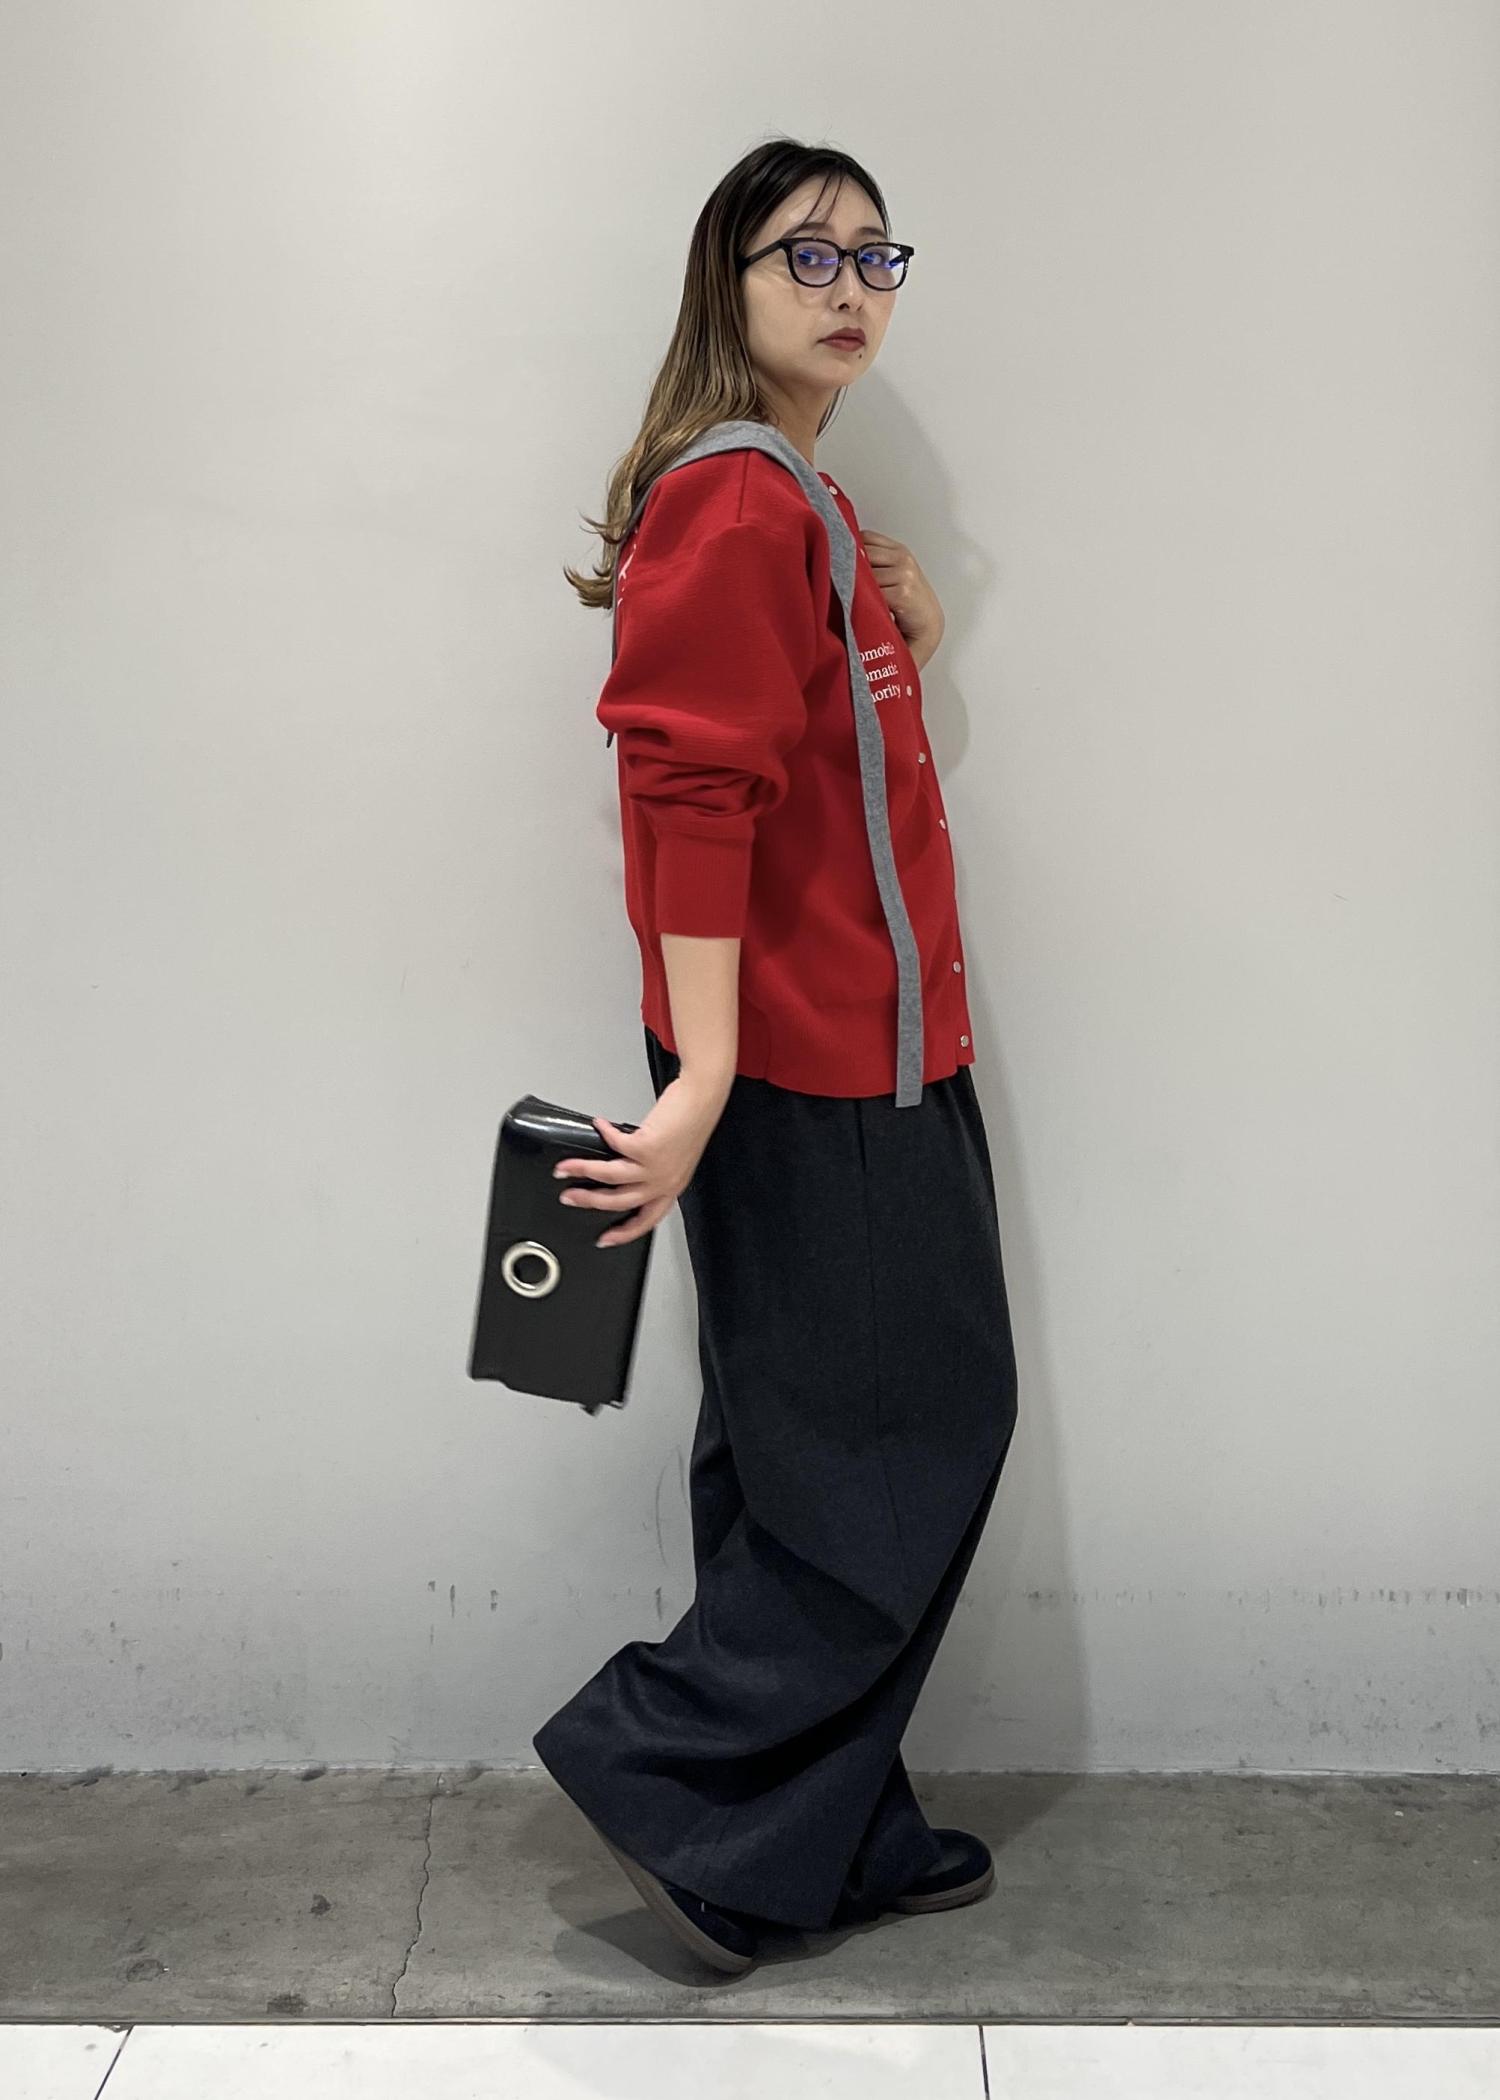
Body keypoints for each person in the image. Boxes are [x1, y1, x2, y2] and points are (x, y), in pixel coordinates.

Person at [533, 136, 1019, 1977]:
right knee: (913, 1441)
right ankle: (668, 1773)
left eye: (877, 256)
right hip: (814, 1073)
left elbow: (815, 768)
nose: (850, 287)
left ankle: (807, 1835)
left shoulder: (798, 501)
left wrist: (912, 623)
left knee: (804, 1457)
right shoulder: (739, 499)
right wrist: (709, 1082)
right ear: (725, 284)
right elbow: (691, 797)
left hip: (859, 1051)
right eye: (805, 255)